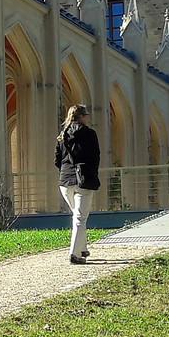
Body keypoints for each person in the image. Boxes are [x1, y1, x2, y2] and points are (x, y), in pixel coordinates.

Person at [54, 104, 101, 264]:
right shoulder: (90, 134)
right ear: (81, 117)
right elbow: (95, 158)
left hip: (65, 182)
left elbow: (57, 160)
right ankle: (74, 254)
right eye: (86, 115)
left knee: (77, 216)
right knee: (80, 218)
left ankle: (82, 249)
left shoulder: (62, 136)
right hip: (84, 180)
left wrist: (66, 171)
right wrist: (90, 173)